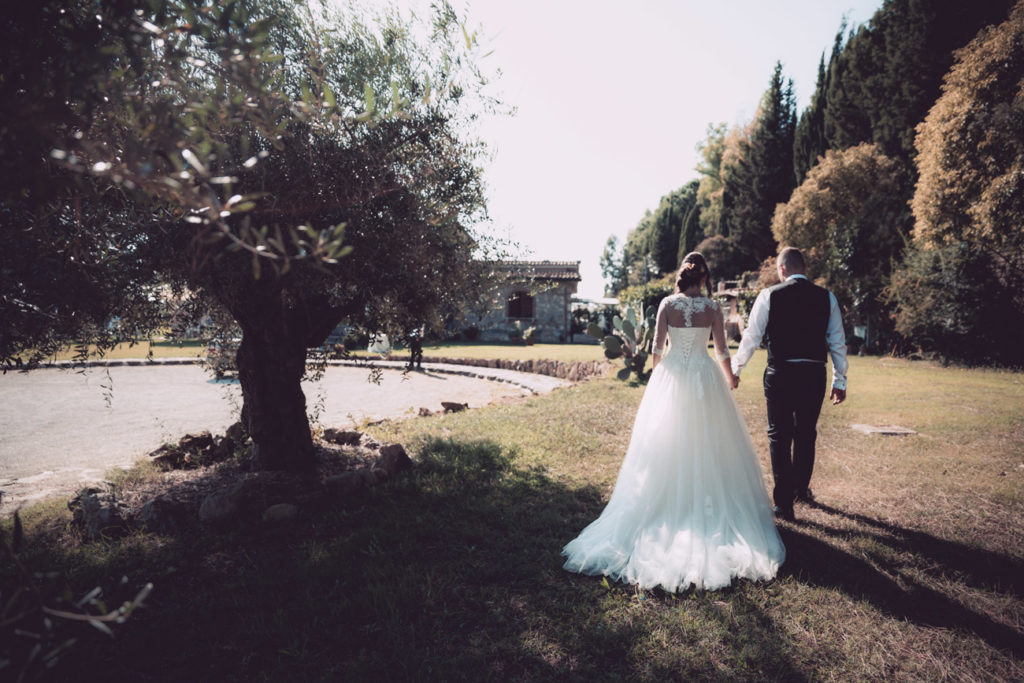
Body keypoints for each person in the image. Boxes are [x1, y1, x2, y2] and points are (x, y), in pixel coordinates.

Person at [562, 252, 785, 592]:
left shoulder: (667, 304)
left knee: (664, 441)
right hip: (703, 375)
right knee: (711, 441)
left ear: (682, 277)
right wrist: (731, 379)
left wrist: (656, 375)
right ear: (704, 278)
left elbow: (656, 347)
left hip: (671, 376)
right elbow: (722, 351)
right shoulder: (712, 308)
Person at [731, 247, 848, 522]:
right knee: (806, 432)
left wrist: (736, 368)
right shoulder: (826, 297)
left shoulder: (768, 296)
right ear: (804, 267)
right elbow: (837, 342)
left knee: (779, 436)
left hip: (780, 373)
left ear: (781, 269)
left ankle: (784, 503)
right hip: (813, 373)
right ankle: (800, 489)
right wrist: (839, 380)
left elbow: (752, 336)